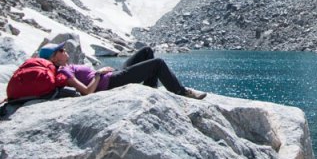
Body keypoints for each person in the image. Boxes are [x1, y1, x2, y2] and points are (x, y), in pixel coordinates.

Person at [38, 43, 206, 100]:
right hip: (109, 82)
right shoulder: (63, 72)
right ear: (54, 58)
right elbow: (87, 92)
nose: (64, 50)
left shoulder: (65, 67)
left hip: (111, 75)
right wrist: (98, 74)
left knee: (146, 51)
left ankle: (149, 91)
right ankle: (181, 92)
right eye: (60, 50)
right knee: (158, 64)